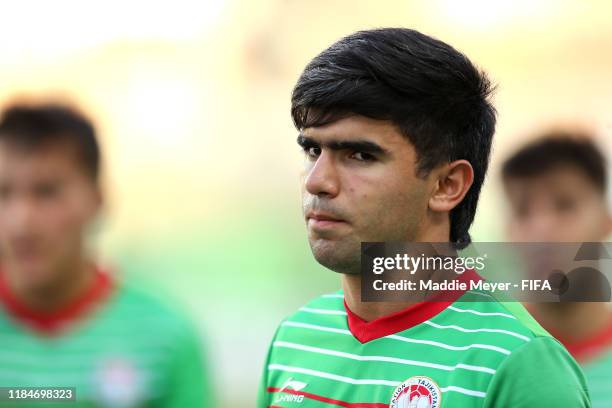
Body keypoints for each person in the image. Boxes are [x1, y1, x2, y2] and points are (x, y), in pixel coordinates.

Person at [257, 28, 590, 407]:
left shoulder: (520, 365)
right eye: (313, 150)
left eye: (360, 155)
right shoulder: (294, 338)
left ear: (447, 185)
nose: (318, 182)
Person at [0, 103, 214, 407]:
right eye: (4, 193)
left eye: (46, 192)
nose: (20, 221)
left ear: (97, 201)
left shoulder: (164, 338)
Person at [502, 133, 612, 407]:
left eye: (565, 205)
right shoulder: (489, 355)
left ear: (605, 221)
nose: (542, 230)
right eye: (523, 210)